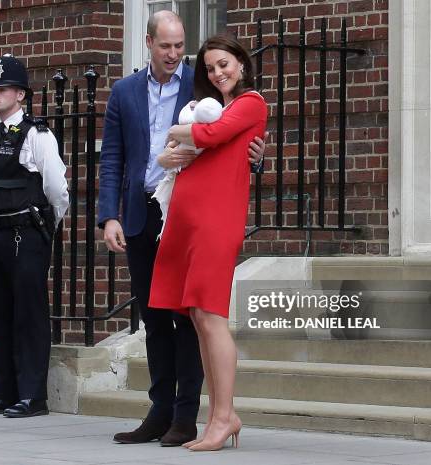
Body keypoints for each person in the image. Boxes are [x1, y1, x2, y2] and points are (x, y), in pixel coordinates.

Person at [97, 11, 265, 446]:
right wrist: (108, 215)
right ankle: (160, 409)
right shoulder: (124, 91)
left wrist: (254, 154)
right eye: (165, 46)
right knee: (156, 315)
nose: (174, 54)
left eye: (179, 46)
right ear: (148, 42)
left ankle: (188, 414)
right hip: (142, 211)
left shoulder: (202, 86)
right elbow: (111, 157)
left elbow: (227, 136)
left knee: (193, 319)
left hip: (191, 216)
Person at [148, 35, 268, 451]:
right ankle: (220, 415)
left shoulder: (251, 102)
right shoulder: (218, 107)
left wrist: (179, 130)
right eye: (211, 68)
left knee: (212, 316)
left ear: (241, 63)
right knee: (198, 315)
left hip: (217, 220)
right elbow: (178, 147)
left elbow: (210, 136)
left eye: (225, 64)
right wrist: (172, 146)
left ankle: (223, 416)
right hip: (188, 219)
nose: (219, 73)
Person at [0, 54, 69, 418]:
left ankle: (31, 395)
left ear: (22, 94)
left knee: (29, 314)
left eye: (3, 88)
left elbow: (56, 186)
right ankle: (1, 392)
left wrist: (47, 225)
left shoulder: (37, 134)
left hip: (26, 232)